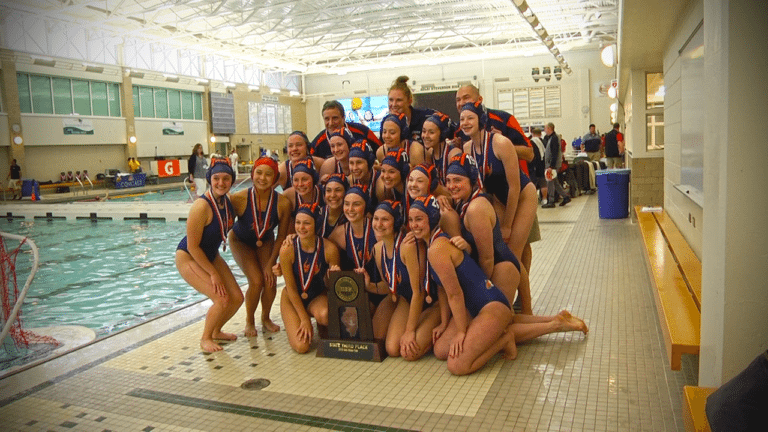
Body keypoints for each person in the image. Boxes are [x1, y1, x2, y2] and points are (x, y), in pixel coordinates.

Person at [410, 195, 589, 375]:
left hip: (491, 306)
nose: (414, 225)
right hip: (475, 306)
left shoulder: (436, 249)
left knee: (457, 365)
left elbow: (454, 295)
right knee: (441, 350)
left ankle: (533, 332)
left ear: (432, 219)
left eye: (419, 219)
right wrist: (443, 323)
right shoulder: (433, 243)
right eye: (410, 220)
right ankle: (555, 318)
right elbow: (442, 288)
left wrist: (461, 332)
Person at [176, 158, 243, 353]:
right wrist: (213, 273)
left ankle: (216, 331)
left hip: (210, 254)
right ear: (209, 179)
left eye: (226, 178)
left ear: (232, 180)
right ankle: (205, 338)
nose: (221, 183)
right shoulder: (201, 206)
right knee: (222, 299)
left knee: (237, 298)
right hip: (189, 256)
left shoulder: (227, 201)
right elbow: (193, 246)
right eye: (216, 178)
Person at [228, 156, 292, 336]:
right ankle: (249, 321)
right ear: (252, 174)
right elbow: (223, 222)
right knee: (256, 281)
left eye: (268, 174)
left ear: (275, 178)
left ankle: (265, 318)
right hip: (240, 241)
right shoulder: (238, 198)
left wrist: (271, 263)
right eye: (259, 173)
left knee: (270, 280)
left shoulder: (282, 203)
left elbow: (281, 236)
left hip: (266, 241)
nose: (262, 178)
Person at [372, 200, 441, 360]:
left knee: (409, 352)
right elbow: (389, 287)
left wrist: (409, 331)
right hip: (406, 301)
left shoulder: (407, 246)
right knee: (391, 348)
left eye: (385, 220)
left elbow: (419, 291)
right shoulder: (377, 250)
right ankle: (421, 325)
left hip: (430, 301)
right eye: (376, 219)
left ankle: (432, 327)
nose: (379, 224)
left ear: (395, 222)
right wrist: (367, 284)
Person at [279, 203, 341, 353]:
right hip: (292, 297)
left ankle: (320, 325)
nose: (301, 227)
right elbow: (291, 288)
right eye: (298, 223)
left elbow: (333, 288)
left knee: (326, 317)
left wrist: (333, 276)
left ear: (316, 225)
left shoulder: (329, 249)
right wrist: (305, 320)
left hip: (316, 296)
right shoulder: (287, 249)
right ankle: (301, 318)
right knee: (302, 347)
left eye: (307, 223)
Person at [455, 84, 534, 176]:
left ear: (480, 100)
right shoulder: (459, 129)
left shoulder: (504, 119)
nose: (461, 103)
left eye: (466, 98)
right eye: (458, 100)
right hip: (483, 185)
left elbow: (530, 154)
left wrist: (501, 146)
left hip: (514, 183)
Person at [310, 100, 381, 159]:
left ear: (343, 118)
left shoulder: (362, 132)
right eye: (327, 119)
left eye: (335, 118)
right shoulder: (318, 142)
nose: (331, 123)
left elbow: (382, 150)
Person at [386, 76, 436, 143]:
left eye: (399, 100)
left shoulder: (426, 117)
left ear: (409, 101)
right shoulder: (385, 122)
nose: (394, 104)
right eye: (391, 100)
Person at [421, 112, 461, 185]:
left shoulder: (453, 153)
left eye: (431, 132)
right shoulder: (429, 152)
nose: (426, 136)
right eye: (424, 131)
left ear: (443, 134)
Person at [542, 123, 570, 208]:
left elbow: (554, 153)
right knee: (555, 182)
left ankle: (551, 201)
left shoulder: (554, 138)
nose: (544, 130)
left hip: (552, 165)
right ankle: (565, 197)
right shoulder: (551, 138)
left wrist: (551, 166)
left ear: (550, 128)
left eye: (545, 128)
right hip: (552, 164)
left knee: (550, 182)